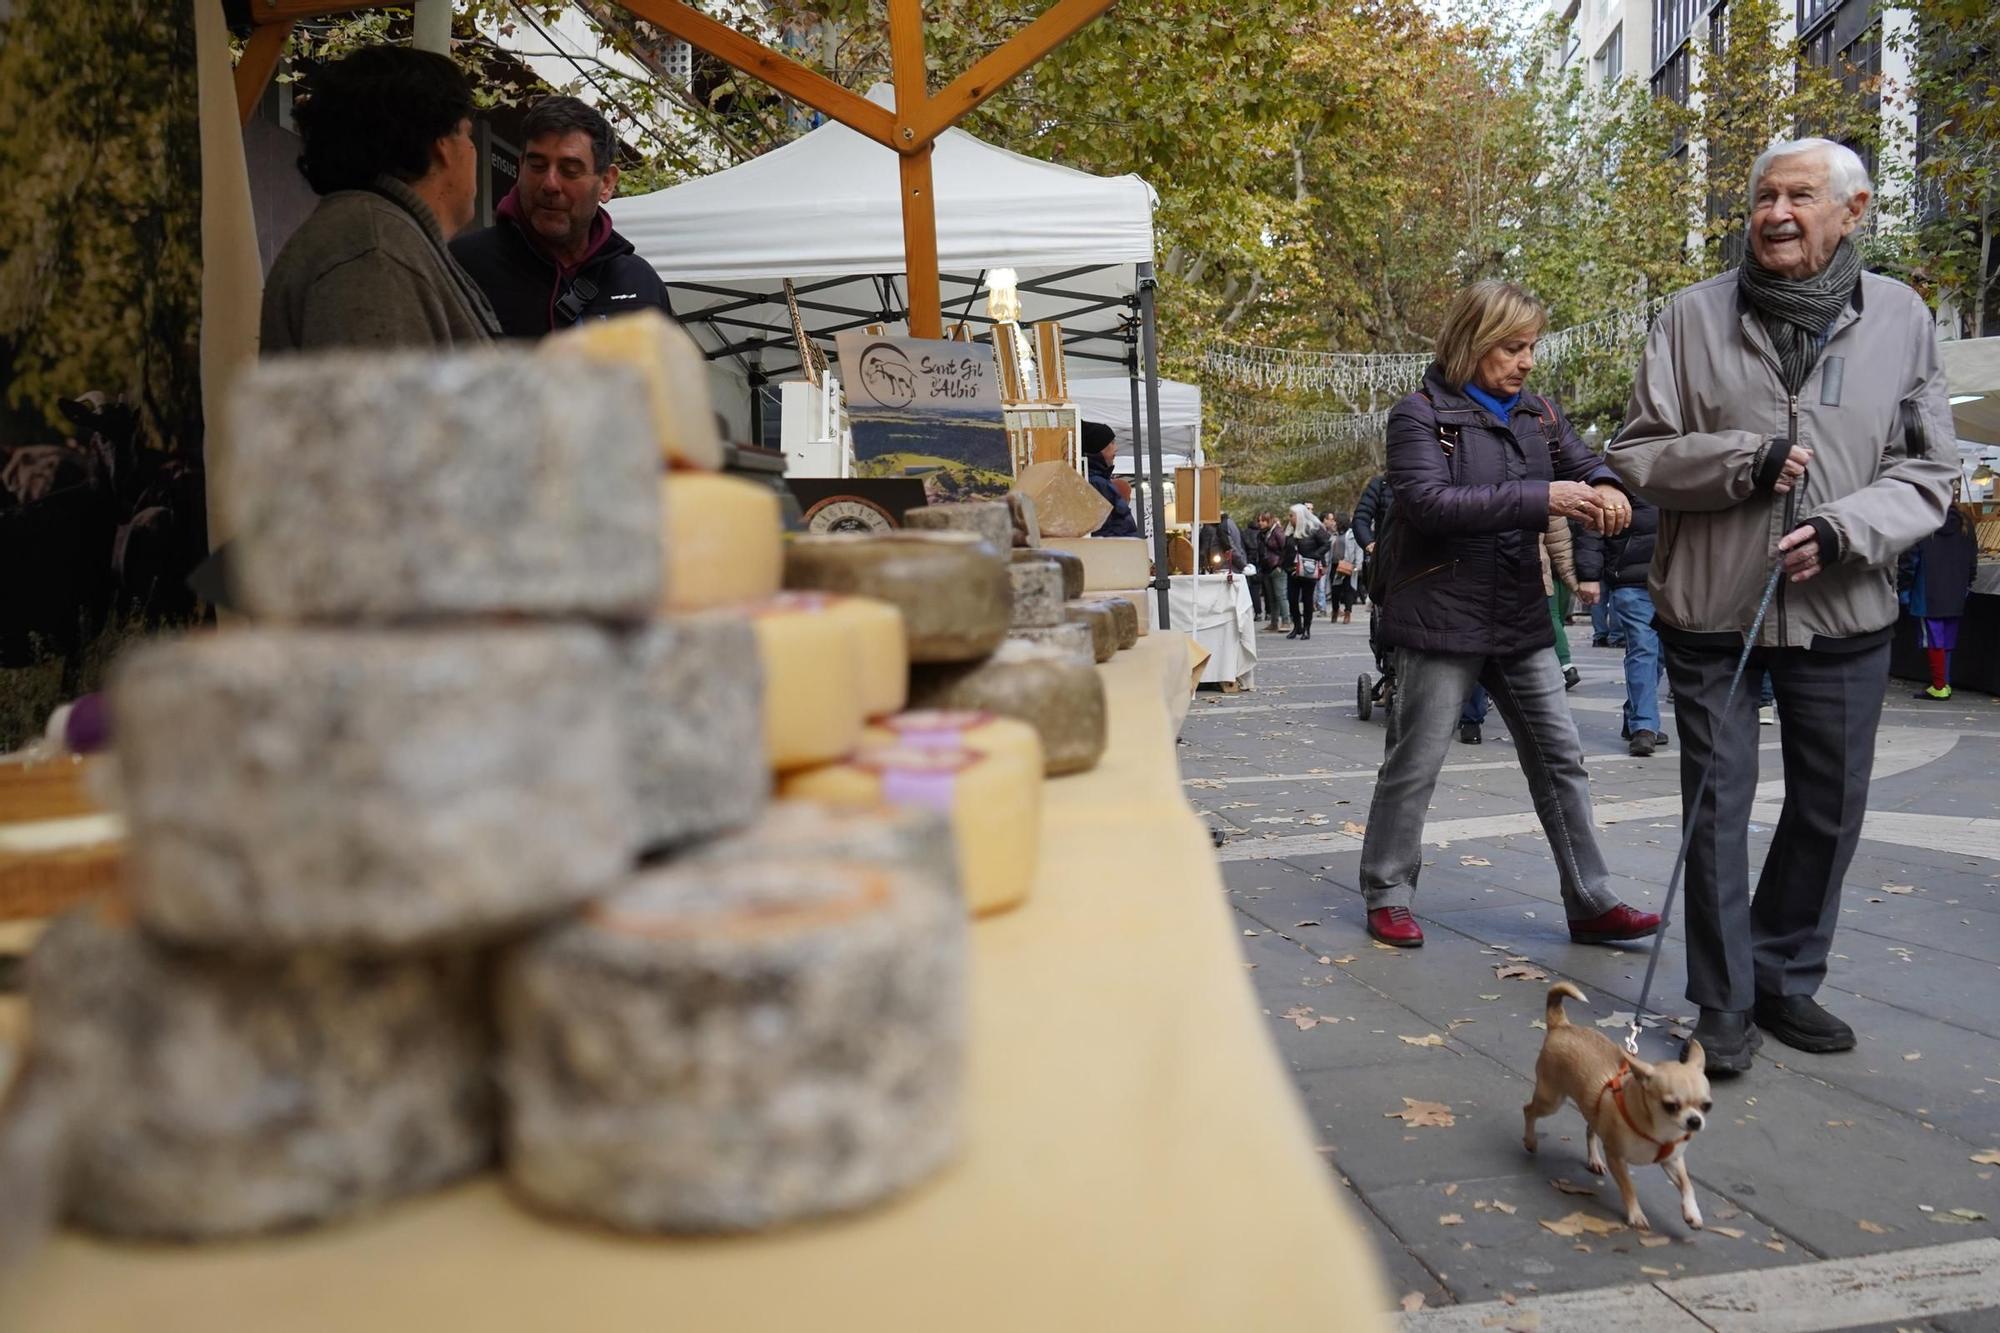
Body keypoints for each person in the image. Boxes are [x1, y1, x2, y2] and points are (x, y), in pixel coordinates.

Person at [1607, 138, 1957, 1073]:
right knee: (1714, 813)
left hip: (1843, 607)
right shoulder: (1690, 316)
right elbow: (1636, 453)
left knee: (1830, 809)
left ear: (1855, 210)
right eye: (1765, 195)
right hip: (1713, 606)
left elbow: (1931, 468)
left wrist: (1849, 528)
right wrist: (1741, 462)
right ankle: (1721, 1002)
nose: (1776, 213)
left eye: (1800, 195)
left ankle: (1783, 973)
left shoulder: (1903, 318)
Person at [1357, 279, 1660, 951]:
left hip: (1520, 613)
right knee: (1416, 759)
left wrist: (1606, 486)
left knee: (1561, 758)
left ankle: (1590, 899)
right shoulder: (1418, 414)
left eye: (1532, 347)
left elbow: (1585, 461)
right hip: (1442, 613)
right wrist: (1541, 496)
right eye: (1513, 347)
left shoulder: (1540, 414)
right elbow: (1431, 504)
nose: (1527, 362)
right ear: (1474, 340)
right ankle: (1387, 890)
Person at [261, 45, 501, 353]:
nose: (472, 150)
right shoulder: (374, 253)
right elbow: (378, 398)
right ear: (441, 143)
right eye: (467, 134)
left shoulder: (375, 239)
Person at [450, 96, 673, 338]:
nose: (550, 184)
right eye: (537, 166)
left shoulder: (641, 283)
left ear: (606, 183)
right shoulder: (462, 269)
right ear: (520, 166)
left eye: (570, 171)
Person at [1577, 495, 1668, 755]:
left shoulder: (1679, 468)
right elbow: (1592, 529)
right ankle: (1645, 726)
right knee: (1643, 649)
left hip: (1672, 581)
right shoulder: (1619, 473)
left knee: (1659, 654)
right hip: (1631, 581)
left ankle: (1636, 716)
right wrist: (1589, 575)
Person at [1899, 493, 1980, 700]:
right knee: (1948, 639)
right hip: (1956, 592)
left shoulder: (1923, 524)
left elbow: (1910, 561)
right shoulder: (1966, 523)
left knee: (1934, 640)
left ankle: (1939, 685)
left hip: (1927, 593)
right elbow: (1973, 559)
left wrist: (1904, 589)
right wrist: (1967, 584)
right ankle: (1945, 681)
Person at [1080, 422, 1140, 537]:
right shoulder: (1097, 484)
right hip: (1115, 550)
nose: (1116, 448)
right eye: (1111, 443)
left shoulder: (1097, 481)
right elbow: (1107, 529)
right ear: (1099, 448)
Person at [1283, 504, 1332, 640]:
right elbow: (1286, 549)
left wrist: (1316, 555)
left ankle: (1306, 628)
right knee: (1292, 599)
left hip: (1308, 570)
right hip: (1292, 570)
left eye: (1291, 515)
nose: (1289, 518)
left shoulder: (1313, 529)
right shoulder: (1290, 531)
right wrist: (1284, 564)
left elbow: (1327, 543)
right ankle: (1297, 626)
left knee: (1307, 599)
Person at [1329, 512, 1363, 624]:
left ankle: (1347, 613)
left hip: (1348, 565)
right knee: (1335, 591)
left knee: (1348, 590)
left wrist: (1358, 565)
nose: (1334, 523)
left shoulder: (1352, 534)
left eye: (1336, 521)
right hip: (1335, 565)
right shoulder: (1334, 534)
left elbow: (1358, 549)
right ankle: (1335, 610)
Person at [1260, 511, 1289, 632]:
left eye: (1262, 520)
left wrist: (1281, 565)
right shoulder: (1266, 533)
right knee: (1272, 597)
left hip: (1277, 567)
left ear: (1268, 521)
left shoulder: (1277, 531)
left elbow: (1285, 549)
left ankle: (1286, 621)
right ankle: (1274, 622)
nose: (1260, 523)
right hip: (1268, 567)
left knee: (1280, 595)